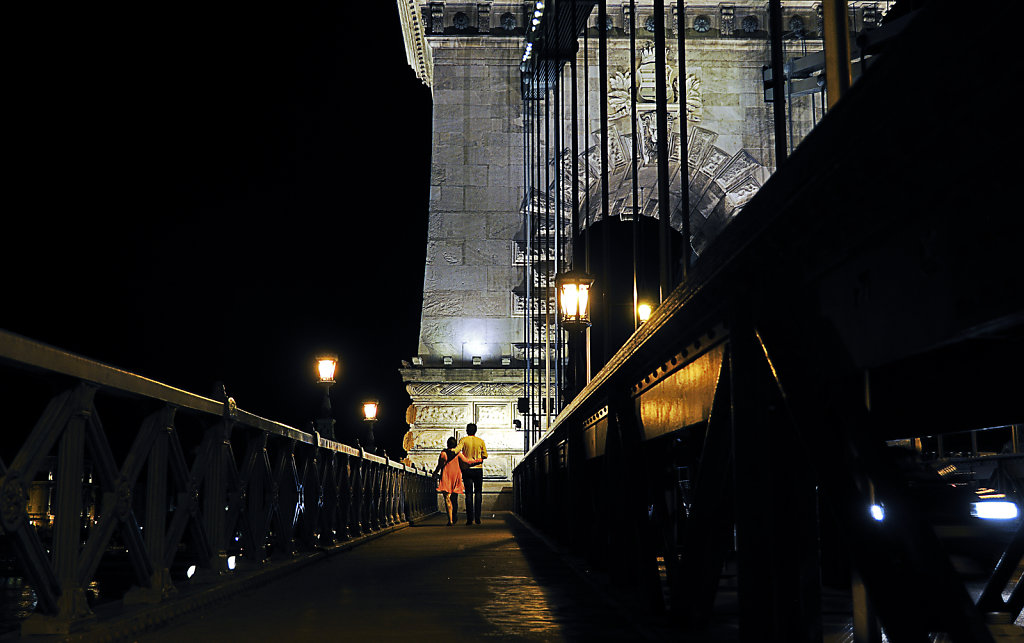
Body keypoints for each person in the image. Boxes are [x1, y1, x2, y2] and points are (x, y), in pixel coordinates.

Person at [433, 437, 482, 526]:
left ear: (447, 444)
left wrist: (435, 473)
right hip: (456, 476)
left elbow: (439, 466)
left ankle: (450, 520)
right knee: (454, 498)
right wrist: (478, 461)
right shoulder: (458, 454)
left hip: (446, 476)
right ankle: (454, 515)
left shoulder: (443, 454)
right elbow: (467, 462)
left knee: (447, 499)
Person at [455, 423, 487, 525]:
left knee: (468, 494)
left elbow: (457, 450)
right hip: (478, 469)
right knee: (478, 493)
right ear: (475, 431)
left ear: (467, 430)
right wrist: (478, 459)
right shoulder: (480, 441)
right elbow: (485, 455)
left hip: (467, 469)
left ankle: (469, 519)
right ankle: (478, 518)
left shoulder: (463, 440)